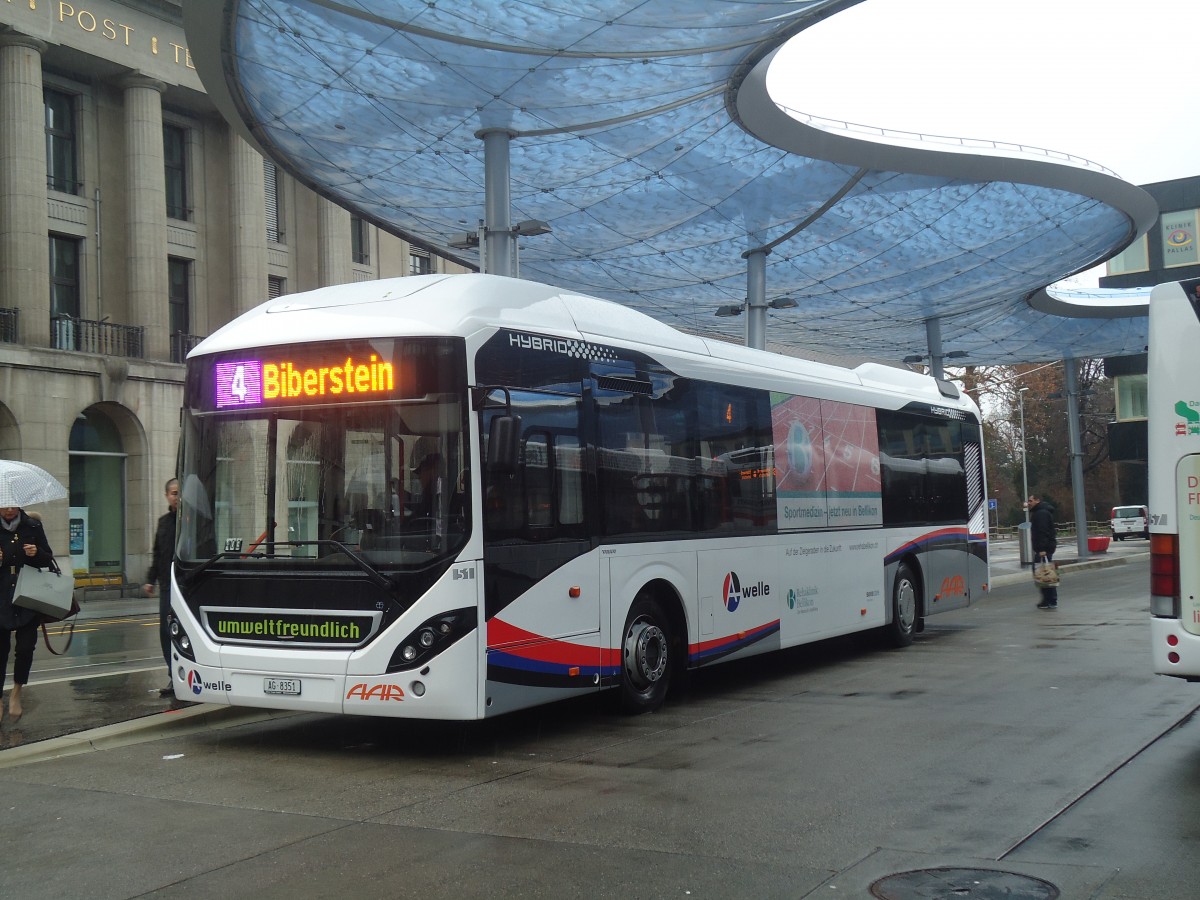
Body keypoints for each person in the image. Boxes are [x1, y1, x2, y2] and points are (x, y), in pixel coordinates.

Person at [0, 505, 55, 723]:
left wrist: (37, 554)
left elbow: (48, 559)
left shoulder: (33, 525)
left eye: (13, 506)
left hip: (28, 596)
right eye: (4, 507)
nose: (9, 511)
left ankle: (16, 692)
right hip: (2, 597)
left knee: (25, 648)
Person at [143, 477, 180, 695]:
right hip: (167, 585)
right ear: (167, 496)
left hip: (186, 585)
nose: (177, 497)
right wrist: (151, 579)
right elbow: (158, 553)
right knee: (166, 632)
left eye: (180, 493)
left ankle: (185, 674)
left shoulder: (193, 520)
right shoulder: (163, 522)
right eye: (174, 493)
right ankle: (173, 675)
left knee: (182, 632)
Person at [1028, 493, 1058, 610]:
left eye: (1030, 501)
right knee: (1044, 573)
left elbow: (1042, 532)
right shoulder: (1041, 512)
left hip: (1044, 550)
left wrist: (1042, 549)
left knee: (1045, 573)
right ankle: (1048, 599)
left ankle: (1049, 599)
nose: (1028, 503)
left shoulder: (1040, 514)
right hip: (1046, 548)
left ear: (1037, 500)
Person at [411, 453, 443, 519]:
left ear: (432, 471)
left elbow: (421, 514)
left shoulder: (440, 492)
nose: (420, 477)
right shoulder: (428, 492)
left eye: (422, 472)